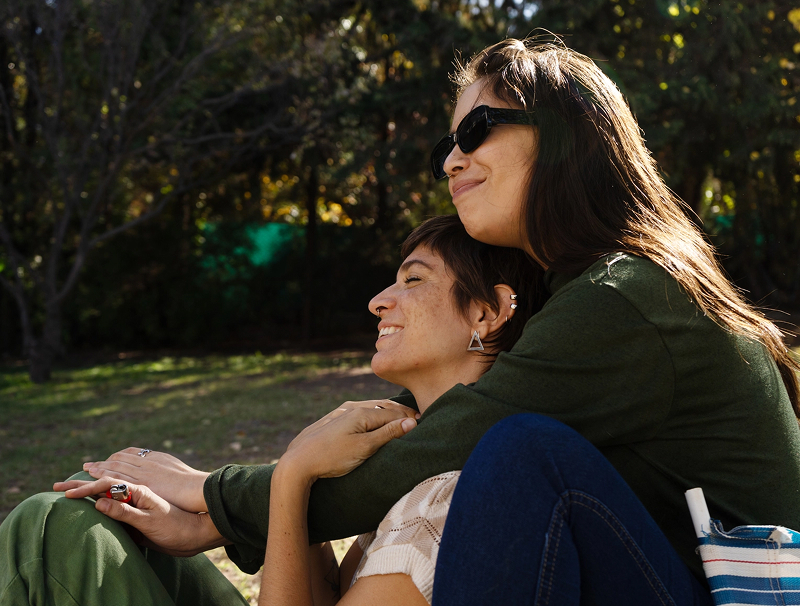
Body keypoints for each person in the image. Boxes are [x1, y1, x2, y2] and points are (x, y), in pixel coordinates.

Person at [4, 36, 800, 604]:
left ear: (567, 140)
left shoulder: (630, 295)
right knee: (53, 526)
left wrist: (212, 496)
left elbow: (443, 450)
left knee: (518, 451)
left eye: (476, 130)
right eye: (446, 143)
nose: (451, 159)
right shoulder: (592, 295)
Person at [0, 215, 545, 605]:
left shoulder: (449, 496)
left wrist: (291, 477)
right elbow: (329, 594)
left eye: (413, 279)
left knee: (46, 532)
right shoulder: (410, 453)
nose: (379, 300)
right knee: (78, 514)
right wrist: (300, 471)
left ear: (486, 311)